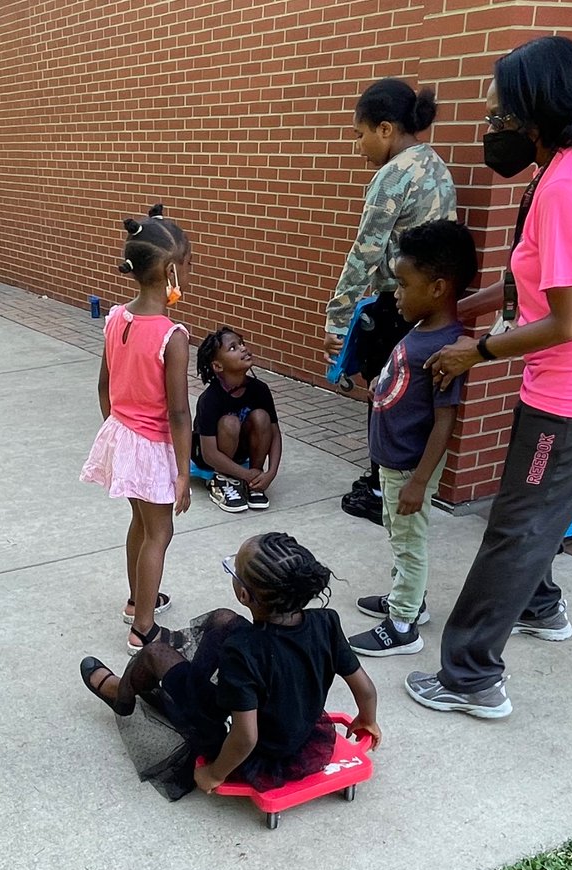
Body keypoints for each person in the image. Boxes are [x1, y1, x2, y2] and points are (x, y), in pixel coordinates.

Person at [404, 36, 572, 719]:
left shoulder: (568, 187)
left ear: (538, 108)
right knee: (536, 508)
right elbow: (535, 280)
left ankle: (471, 677)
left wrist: (474, 353)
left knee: (517, 524)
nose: (492, 127)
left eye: (500, 113)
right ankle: (542, 607)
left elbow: (569, 319)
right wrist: (460, 308)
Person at [79, 532, 381, 800]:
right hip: (297, 730)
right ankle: (191, 671)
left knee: (155, 653)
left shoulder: (244, 652)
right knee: (223, 618)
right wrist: (367, 719)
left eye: (234, 572)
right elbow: (365, 687)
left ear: (244, 594)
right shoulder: (326, 622)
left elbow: (245, 737)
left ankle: (122, 694)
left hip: (250, 748)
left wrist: (215, 774)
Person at [322, 77, 457, 526]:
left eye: (360, 134)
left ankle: (383, 485)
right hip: (434, 307)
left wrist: (337, 320)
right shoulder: (437, 167)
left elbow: (365, 253)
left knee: (384, 396)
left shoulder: (393, 175)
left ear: (385, 128)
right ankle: (400, 482)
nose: (358, 146)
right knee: (412, 401)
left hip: (397, 302)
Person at [346, 220, 477, 657]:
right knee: (397, 533)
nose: (397, 293)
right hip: (393, 461)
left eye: (404, 284)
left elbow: (445, 421)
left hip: (408, 466)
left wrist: (420, 481)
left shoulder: (447, 348)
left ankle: (402, 624)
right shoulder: (422, 332)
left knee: (408, 542)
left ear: (438, 287)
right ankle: (410, 600)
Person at [81, 204, 193, 654]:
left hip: (122, 434)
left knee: (140, 523)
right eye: (186, 263)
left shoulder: (115, 318)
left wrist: (116, 426)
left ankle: (135, 601)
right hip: (150, 446)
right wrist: (183, 473)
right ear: (169, 271)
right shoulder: (173, 335)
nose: (188, 270)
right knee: (159, 534)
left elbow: (104, 383)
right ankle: (143, 628)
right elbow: (180, 413)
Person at [193, 327, 282, 513]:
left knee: (261, 417)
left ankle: (254, 484)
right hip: (211, 458)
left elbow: (274, 434)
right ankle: (222, 480)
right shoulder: (209, 399)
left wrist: (270, 473)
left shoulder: (260, 389)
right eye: (233, 348)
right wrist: (244, 473)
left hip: (242, 455)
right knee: (230, 422)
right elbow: (209, 453)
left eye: (242, 344)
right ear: (218, 366)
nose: (243, 348)